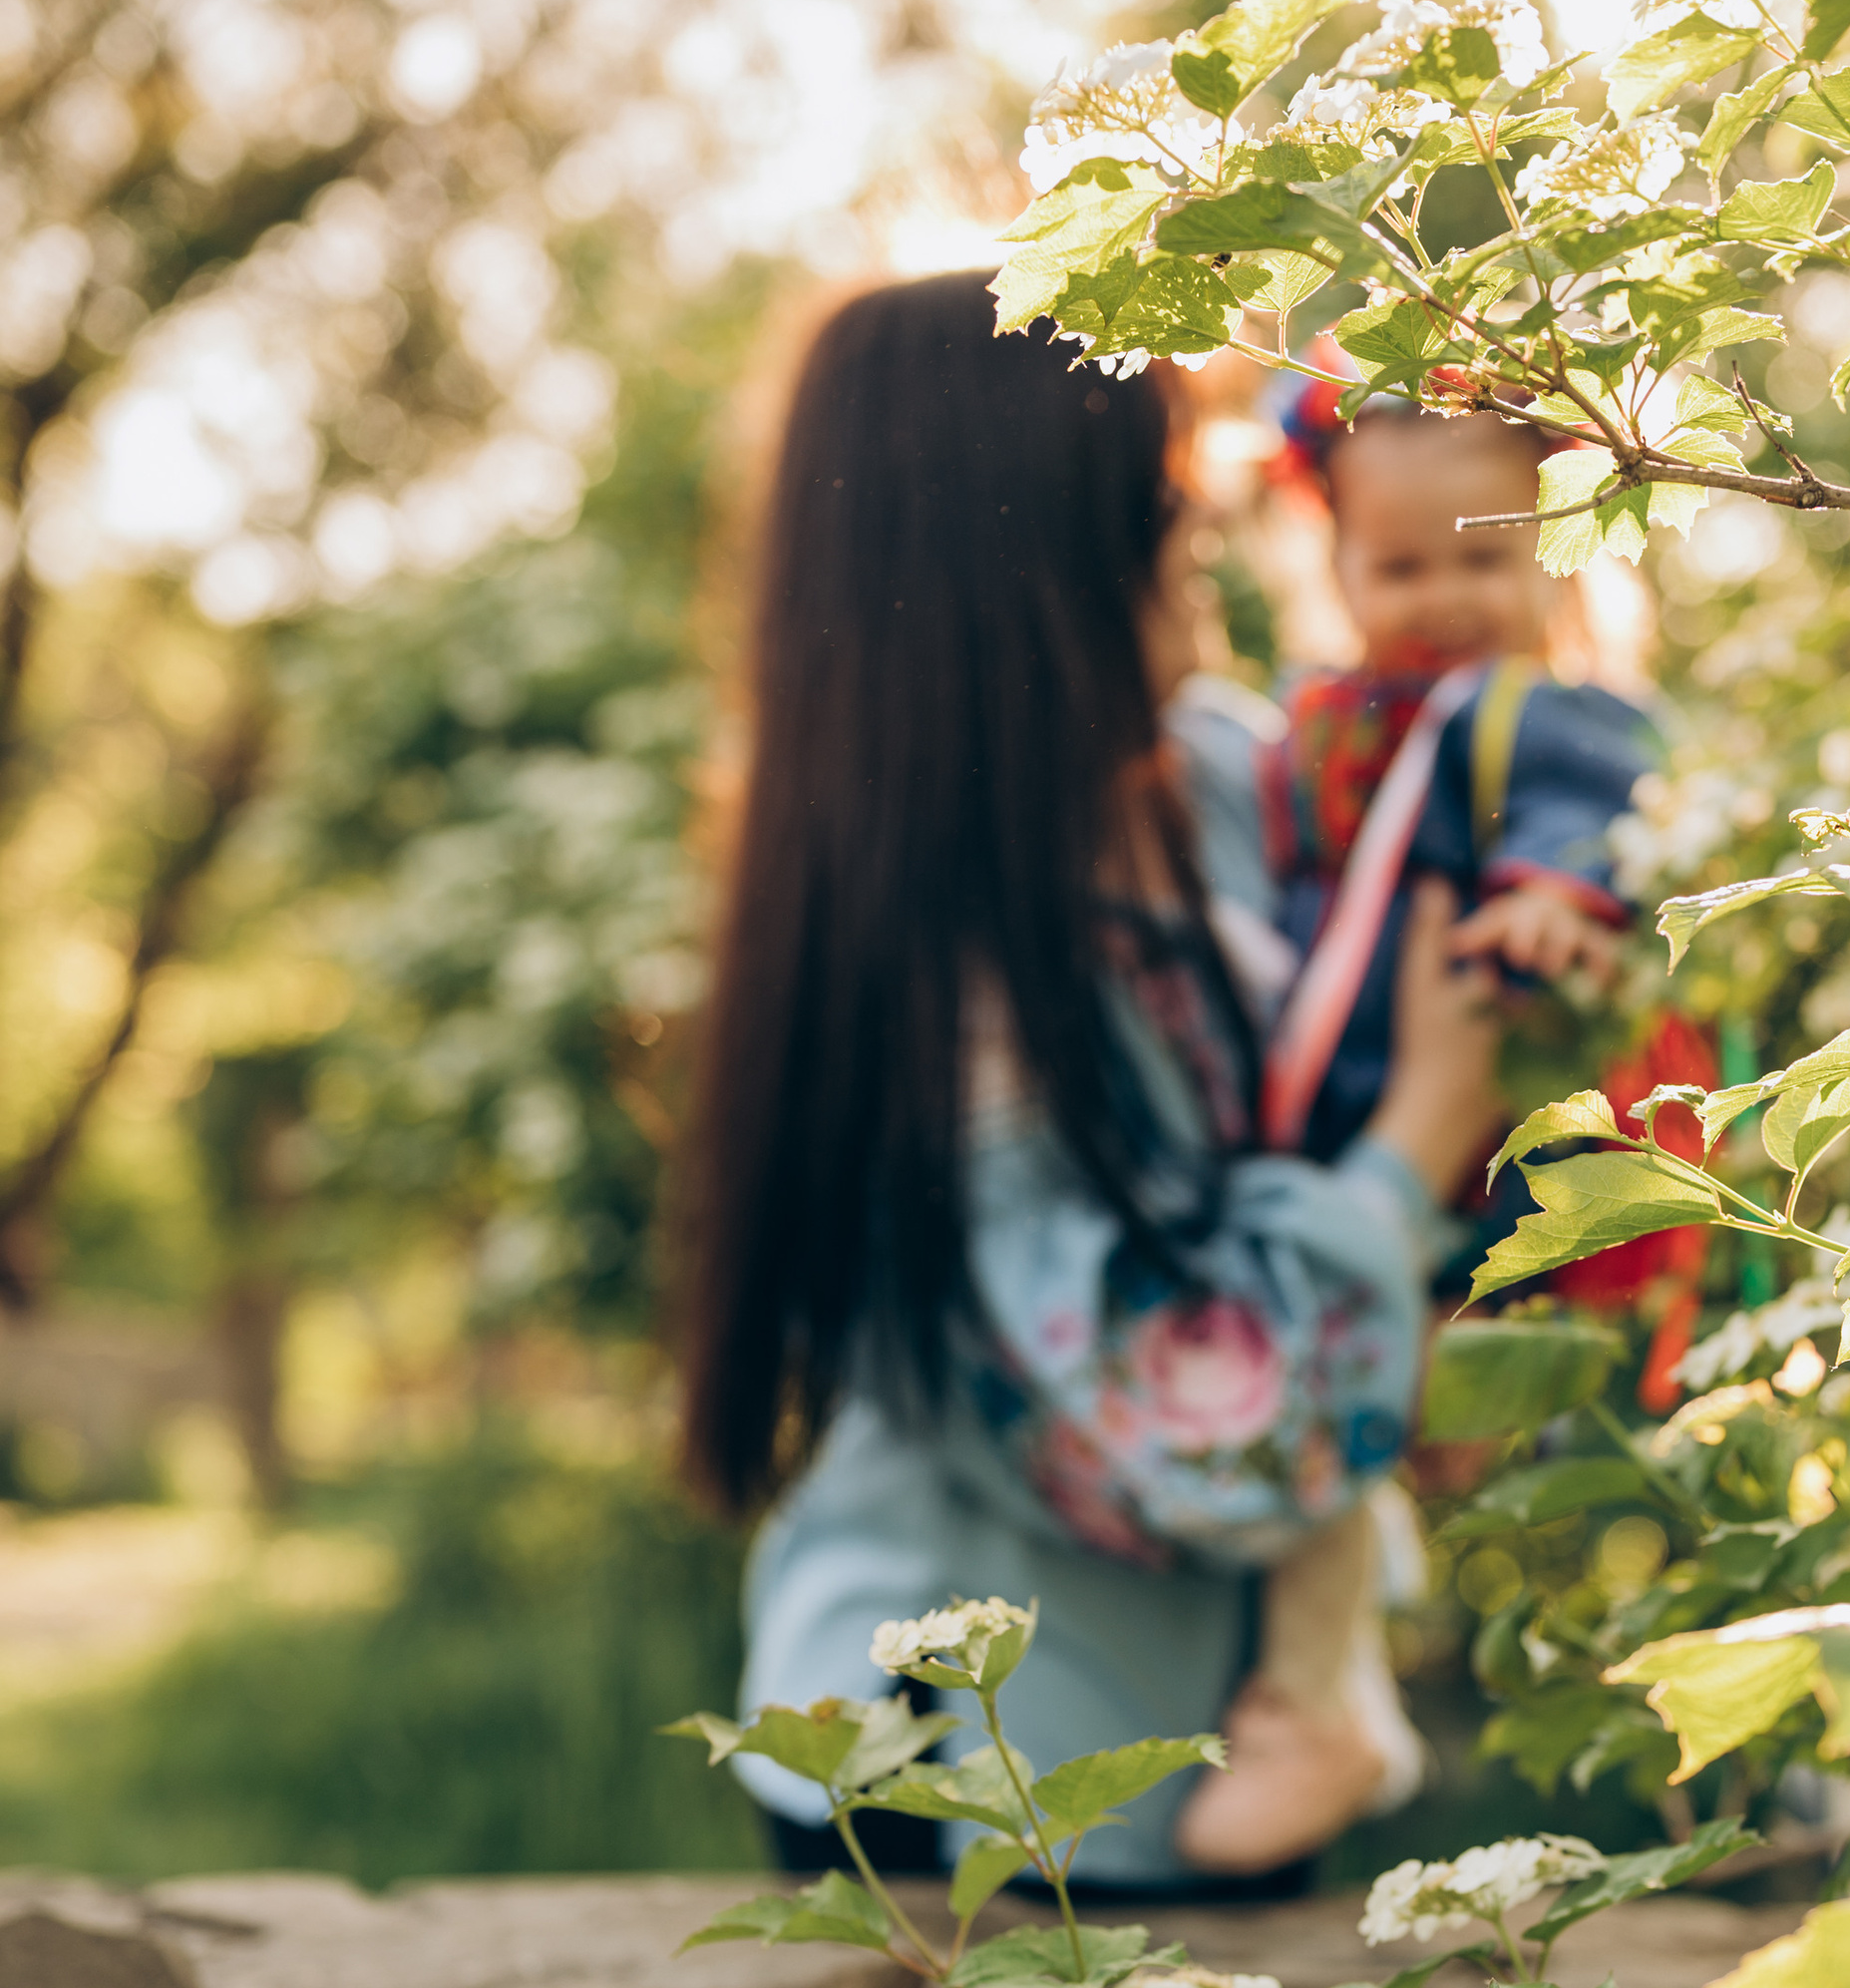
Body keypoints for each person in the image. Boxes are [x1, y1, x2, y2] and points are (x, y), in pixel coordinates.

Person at [676, 273, 1505, 1892]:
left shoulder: (1210, 783)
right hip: (971, 1778)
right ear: (1034, 578)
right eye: (1164, 528)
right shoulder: (948, 1001)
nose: (1199, 573)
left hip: (1201, 1746)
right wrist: (1423, 1135)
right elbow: (1196, 1436)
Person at [1163, 374, 1691, 1876]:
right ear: (1330, 566)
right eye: (1402, 567)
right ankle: (1322, 1681)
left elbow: (1586, 823)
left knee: (1368, 1374)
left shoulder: (1545, 713)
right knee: (1323, 1378)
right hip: (1336, 1121)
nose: (1448, 598)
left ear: (1558, 551)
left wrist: (1552, 904)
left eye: (1487, 556)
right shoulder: (1317, 725)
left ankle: (1331, 1684)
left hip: (1476, 1127)